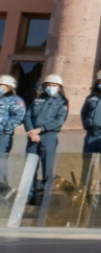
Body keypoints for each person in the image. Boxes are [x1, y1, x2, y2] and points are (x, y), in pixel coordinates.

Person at [24, 74, 68, 202]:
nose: (51, 87)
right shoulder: (38, 100)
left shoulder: (62, 102)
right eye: (48, 85)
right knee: (29, 168)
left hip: (48, 137)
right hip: (32, 137)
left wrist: (40, 130)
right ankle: (28, 195)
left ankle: (45, 197)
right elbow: (27, 116)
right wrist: (31, 131)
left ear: (59, 87)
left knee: (47, 168)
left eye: (54, 85)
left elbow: (59, 121)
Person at [0, 75, 26, 153]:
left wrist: (6, 127)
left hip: (3, 135)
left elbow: (19, 116)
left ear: (9, 86)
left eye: (1, 85)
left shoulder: (16, 100)